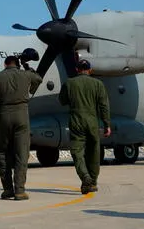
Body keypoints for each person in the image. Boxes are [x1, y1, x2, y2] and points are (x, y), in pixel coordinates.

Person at [0, 56, 43, 200]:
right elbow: (38, 79)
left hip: (5, 115)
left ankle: (7, 189)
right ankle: (19, 190)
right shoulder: (25, 75)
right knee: (21, 153)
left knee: (2, 152)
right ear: (17, 64)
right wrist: (27, 67)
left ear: (5, 64)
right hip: (22, 115)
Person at [58, 59, 111, 194]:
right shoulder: (98, 84)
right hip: (92, 120)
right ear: (90, 70)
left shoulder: (70, 83)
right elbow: (104, 106)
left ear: (77, 69)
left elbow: (62, 101)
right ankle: (92, 182)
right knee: (94, 152)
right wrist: (107, 124)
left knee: (77, 152)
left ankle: (85, 176)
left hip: (76, 120)